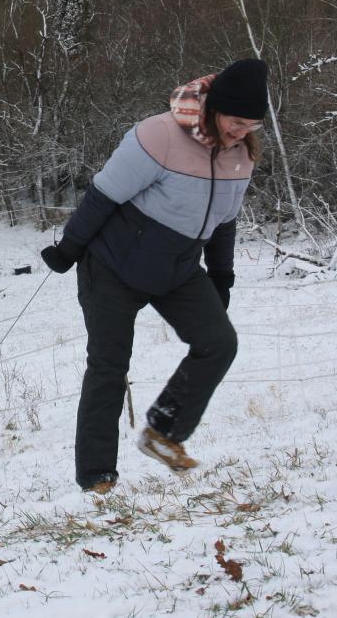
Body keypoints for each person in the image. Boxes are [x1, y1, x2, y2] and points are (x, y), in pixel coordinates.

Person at [40, 59, 268, 494]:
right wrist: (69, 248)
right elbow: (104, 194)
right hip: (112, 265)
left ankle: (163, 432)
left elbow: (225, 221)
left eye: (251, 125)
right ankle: (97, 477)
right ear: (215, 109)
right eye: (236, 122)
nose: (241, 132)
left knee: (219, 343)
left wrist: (221, 277)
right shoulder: (158, 134)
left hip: (178, 267)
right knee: (109, 366)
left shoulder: (241, 156)